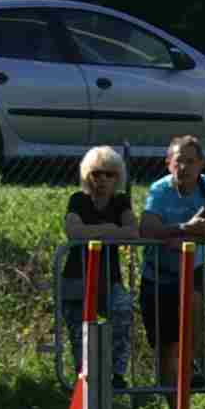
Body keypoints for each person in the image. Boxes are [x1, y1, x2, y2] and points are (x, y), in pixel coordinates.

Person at [137, 134, 205, 399]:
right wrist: (185, 228)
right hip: (157, 274)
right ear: (169, 163)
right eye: (179, 161)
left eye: (191, 161)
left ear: (201, 164)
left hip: (192, 268)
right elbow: (147, 229)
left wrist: (201, 232)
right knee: (165, 349)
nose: (184, 167)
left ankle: (191, 360)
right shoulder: (159, 189)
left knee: (193, 299)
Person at [58, 145, 136, 392]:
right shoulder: (78, 200)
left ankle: (116, 374)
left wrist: (92, 232)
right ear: (87, 175)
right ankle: (85, 381)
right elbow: (73, 231)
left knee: (123, 312)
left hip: (109, 280)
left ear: (117, 177)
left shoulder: (121, 202)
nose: (102, 179)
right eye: (96, 173)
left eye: (109, 174)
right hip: (75, 279)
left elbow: (132, 232)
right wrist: (110, 230)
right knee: (80, 335)